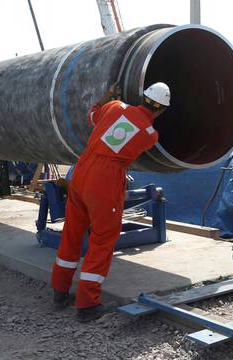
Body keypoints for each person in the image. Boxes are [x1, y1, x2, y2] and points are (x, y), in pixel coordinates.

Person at [50, 82, 170, 322]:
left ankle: (60, 292)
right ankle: (86, 305)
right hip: (104, 180)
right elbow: (135, 136)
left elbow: (92, 116)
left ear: (143, 97)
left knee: (72, 232)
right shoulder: (150, 134)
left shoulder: (114, 106)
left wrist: (104, 97)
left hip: (82, 170)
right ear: (162, 110)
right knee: (102, 240)